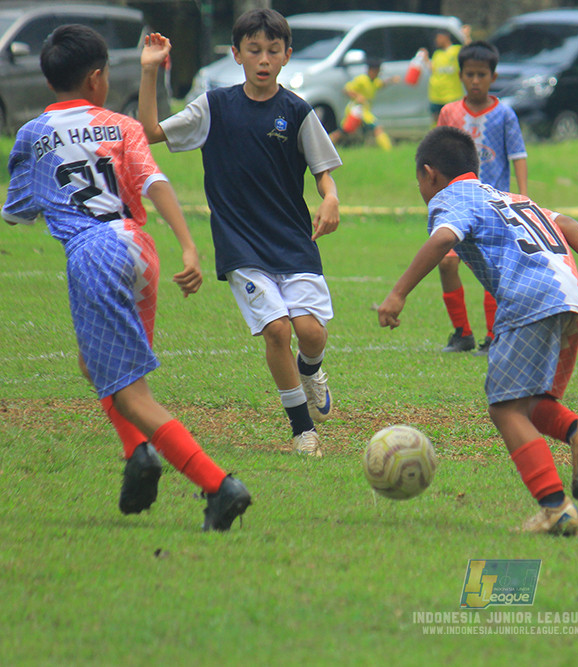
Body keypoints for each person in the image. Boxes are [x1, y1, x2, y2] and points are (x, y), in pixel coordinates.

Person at [2, 24, 251, 531]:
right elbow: (154, 181)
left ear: (51, 82)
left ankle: (219, 487)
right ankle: (138, 454)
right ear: (97, 78)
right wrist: (188, 244)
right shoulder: (121, 126)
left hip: (92, 256)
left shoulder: (30, 135)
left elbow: (18, 211)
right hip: (138, 249)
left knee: (131, 396)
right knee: (96, 368)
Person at [378, 126, 578, 535]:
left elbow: (443, 240)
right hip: (568, 296)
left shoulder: (449, 199)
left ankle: (556, 508)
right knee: (530, 402)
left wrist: (398, 294)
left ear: (430, 174)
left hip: (529, 300)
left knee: (504, 408)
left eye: (419, 181)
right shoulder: (507, 196)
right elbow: (566, 224)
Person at [138, 9, 343, 457]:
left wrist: (330, 197)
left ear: (287, 56)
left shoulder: (298, 111)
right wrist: (151, 71)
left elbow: (323, 171)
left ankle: (312, 371)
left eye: (273, 50)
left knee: (310, 334)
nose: (263, 59)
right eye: (254, 50)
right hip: (241, 244)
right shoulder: (214, 107)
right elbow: (151, 131)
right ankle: (303, 430)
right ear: (236, 54)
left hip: (292, 241)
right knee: (277, 332)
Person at [436, 41, 528, 355]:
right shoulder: (449, 112)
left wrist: (522, 196)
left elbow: (518, 155)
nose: (475, 80)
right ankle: (462, 333)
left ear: (493, 76)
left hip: (494, 207)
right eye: (470, 74)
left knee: (493, 271)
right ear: (461, 75)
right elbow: (438, 157)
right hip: (459, 205)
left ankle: (493, 337)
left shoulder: (505, 114)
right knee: (447, 264)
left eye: (482, 74)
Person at [328, 57, 401, 150]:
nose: (378, 74)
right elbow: (346, 90)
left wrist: (391, 80)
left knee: (344, 132)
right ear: (372, 70)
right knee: (376, 128)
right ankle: (389, 150)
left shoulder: (374, 81)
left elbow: (380, 84)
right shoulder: (361, 80)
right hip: (357, 110)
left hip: (364, 111)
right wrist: (357, 96)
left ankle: (326, 145)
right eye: (377, 71)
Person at [422, 27, 471, 124]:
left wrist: (466, 36)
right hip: (435, 95)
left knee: (452, 121)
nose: (436, 41)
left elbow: (470, 51)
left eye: (438, 38)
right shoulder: (437, 53)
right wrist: (426, 59)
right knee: (437, 121)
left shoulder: (456, 50)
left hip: (451, 95)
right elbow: (433, 70)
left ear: (445, 37)